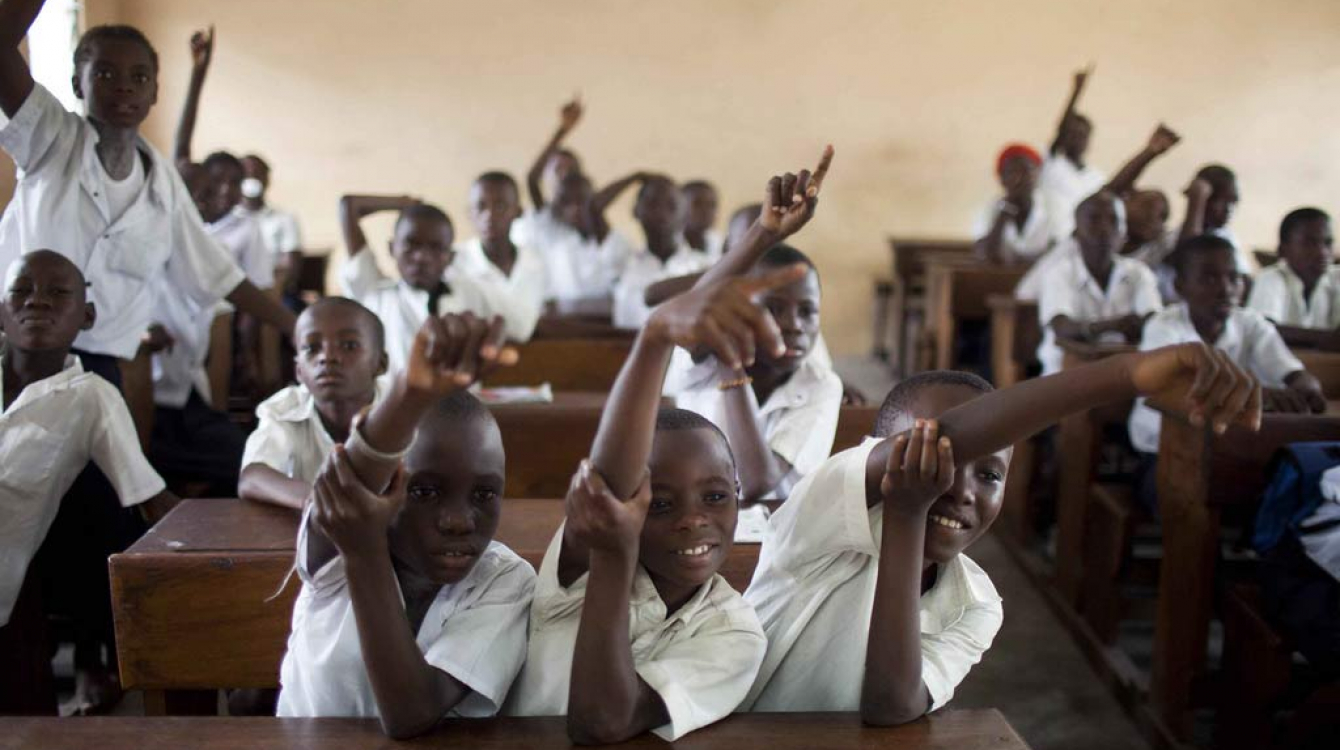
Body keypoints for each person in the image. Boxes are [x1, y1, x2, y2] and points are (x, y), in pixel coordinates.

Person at [744, 335, 1263, 720]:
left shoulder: (976, 603)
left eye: (989, 473)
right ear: (873, 457)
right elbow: (948, 439)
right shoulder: (821, 503)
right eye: (938, 460)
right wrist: (1126, 374)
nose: (963, 488)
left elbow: (891, 705)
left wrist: (907, 517)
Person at [275, 313, 534, 737]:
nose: (457, 521)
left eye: (485, 494)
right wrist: (409, 394)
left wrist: (367, 553)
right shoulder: (337, 543)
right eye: (425, 492)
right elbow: (352, 482)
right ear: (386, 485)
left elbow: (412, 712)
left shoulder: (504, 580)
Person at [0, 251, 174, 714]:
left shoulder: (92, 398)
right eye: (21, 291)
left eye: (58, 293)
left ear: (88, 315)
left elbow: (151, 502)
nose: (37, 302)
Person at [1128, 234, 1326, 509]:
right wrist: (1260, 395)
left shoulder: (1250, 324)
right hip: (1164, 455)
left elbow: (1292, 372)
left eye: (1234, 278)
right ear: (1180, 286)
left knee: (1293, 486)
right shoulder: (1163, 328)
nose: (1226, 289)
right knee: (1200, 495)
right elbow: (1180, 390)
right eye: (1209, 279)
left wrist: (1307, 388)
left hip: (1232, 451)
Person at [240, 297, 387, 511]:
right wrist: (320, 502)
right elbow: (252, 476)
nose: (327, 357)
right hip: (311, 535)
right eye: (312, 348)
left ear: (380, 364)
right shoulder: (286, 409)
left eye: (349, 345)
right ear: (299, 370)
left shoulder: (402, 407)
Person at [338, 194, 499, 373]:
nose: (421, 257)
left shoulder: (470, 293)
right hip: (395, 400)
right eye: (411, 244)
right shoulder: (374, 292)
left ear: (451, 257)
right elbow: (348, 205)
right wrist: (402, 203)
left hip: (459, 397)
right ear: (392, 248)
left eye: (435, 247)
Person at [1034, 191, 1163, 375]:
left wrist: (1143, 324)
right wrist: (1112, 326)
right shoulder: (1059, 274)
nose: (1105, 229)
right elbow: (1061, 327)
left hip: (1128, 374)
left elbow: (1154, 321)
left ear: (1124, 231)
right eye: (1094, 219)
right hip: (1065, 376)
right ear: (1076, 232)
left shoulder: (1139, 273)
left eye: (1113, 220)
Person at [598, 173, 710, 329]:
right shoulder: (622, 260)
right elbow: (593, 209)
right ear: (636, 211)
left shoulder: (703, 266)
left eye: (671, 206)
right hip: (624, 350)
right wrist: (635, 176)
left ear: (685, 215)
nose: (661, 213)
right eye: (652, 204)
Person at [455, 172, 546, 342]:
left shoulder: (535, 262)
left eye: (500, 206)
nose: (489, 215)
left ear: (518, 212)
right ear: (470, 213)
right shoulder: (454, 263)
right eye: (481, 206)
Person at [1247, 208, 1340, 347]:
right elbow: (1262, 330)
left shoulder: (1336, 279)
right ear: (1283, 250)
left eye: (1327, 243)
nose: (1322, 252)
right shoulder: (1271, 278)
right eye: (1309, 243)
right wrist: (1327, 338)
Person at [974, 143, 1058, 263]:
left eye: (1026, 171)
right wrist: (1003, 215)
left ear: (1038, 175)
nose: (1019, 179)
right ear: (1001, 178)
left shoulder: (1055, 206)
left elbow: (1059, 252)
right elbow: (985, 254)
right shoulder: (988, 210)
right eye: (1012, 172)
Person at [241, 154, 305, 309]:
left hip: (276, 292)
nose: (252, 179)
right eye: (247, 174)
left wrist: (271, 292)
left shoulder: (284, 219)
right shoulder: (226, 222)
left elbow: (290, 267)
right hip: (236, 293)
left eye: (258, 174)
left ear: (267, 180)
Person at [1179, 164, 1255, 273]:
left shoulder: (1227, 237)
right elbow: (1187, 255)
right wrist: (1196, 201)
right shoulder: (1172, 240)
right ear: (1204, 199)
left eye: (1233, 201)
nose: (1229, 209)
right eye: (1222, 200)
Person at [525, 95, 583, 213]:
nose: (565, 174)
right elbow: (532, 179)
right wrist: (562, 130)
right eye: (558, 169)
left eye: (571, 170)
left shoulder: (588, 218)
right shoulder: (545, 214)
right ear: (546, 175)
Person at [681, 180, 723, 260]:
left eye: (712, 205)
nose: (706, 211)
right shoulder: (669, 249)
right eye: (697, 204)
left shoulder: (721, 244)